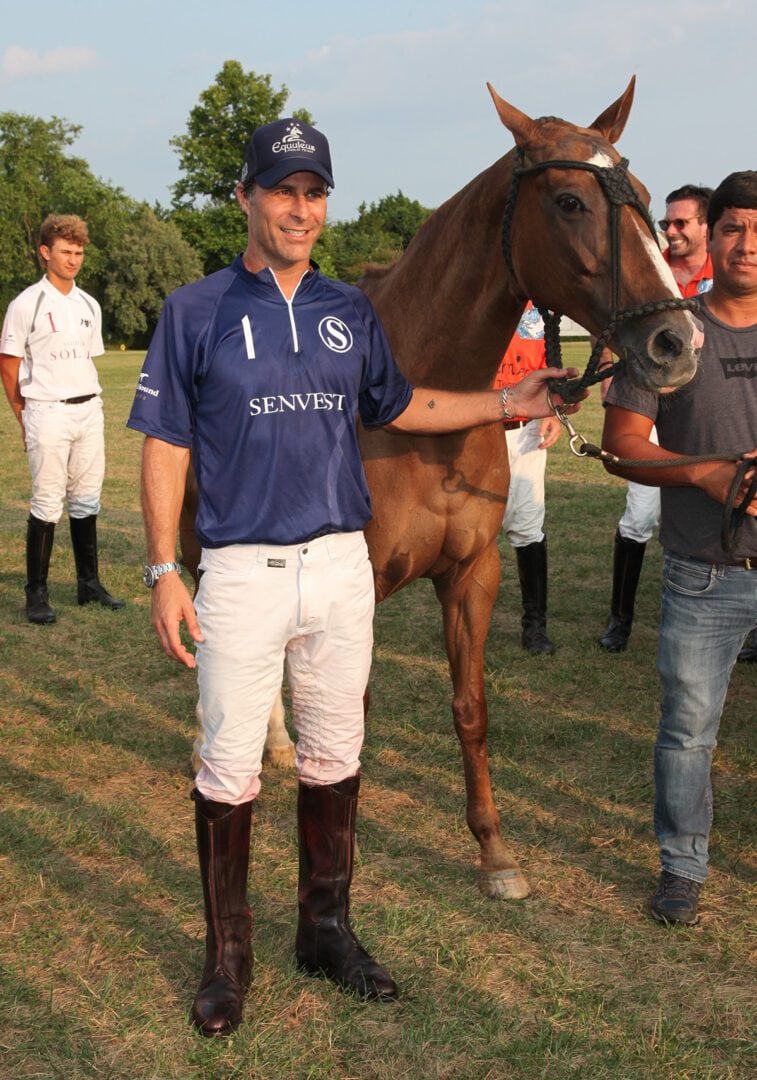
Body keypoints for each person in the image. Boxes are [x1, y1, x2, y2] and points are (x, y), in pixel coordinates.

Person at [126, 117, 582, 1035]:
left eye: (313, 192)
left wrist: (505, 401)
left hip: (339, 563)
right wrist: (165, 571)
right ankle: (227, 959)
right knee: (227, 768)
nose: (300, 208)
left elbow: (400, 404)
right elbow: (166, 445)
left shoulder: (347, 309)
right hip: (244, 568)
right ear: (248, 198)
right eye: (283, 190)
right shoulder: (195, 310)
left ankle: (325, 932)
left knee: (336, 758)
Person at [601, 171, 757, 926]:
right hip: (704, 572)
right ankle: (681, 865)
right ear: (710, 234)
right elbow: (619, 444)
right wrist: (701, 470)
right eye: (732, 227)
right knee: (688, 727)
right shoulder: (671, 331)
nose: (746, 244)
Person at [599, 184, 714, 652]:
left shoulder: (723, 277)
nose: (670, 231)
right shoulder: (653, 272)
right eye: (667, 223)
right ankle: (620, 620)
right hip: (652, 402)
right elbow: (615, 318)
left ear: (707, 226)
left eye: (681, 222)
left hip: (709, 411)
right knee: (639, 514)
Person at [0, 214, 124, 624]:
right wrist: (24, 417)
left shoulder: (89, 304)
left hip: (89, 409)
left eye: (79, 252)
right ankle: (36, 593)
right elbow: (9, 364)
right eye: (65, 251)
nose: (73, 259)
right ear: (45, 252)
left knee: (87, 498)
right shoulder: (27, 303)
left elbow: (86, 361)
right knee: (48, 501)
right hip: (47, 411)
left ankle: (88, 585)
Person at [493, 302, 562, 655]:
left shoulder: (543, 302)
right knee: (472, 527)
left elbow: (550, 364)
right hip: (478, 424)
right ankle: (465, 615)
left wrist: (552, 408)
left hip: (527, 429)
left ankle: (534, 626)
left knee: (528, 526)